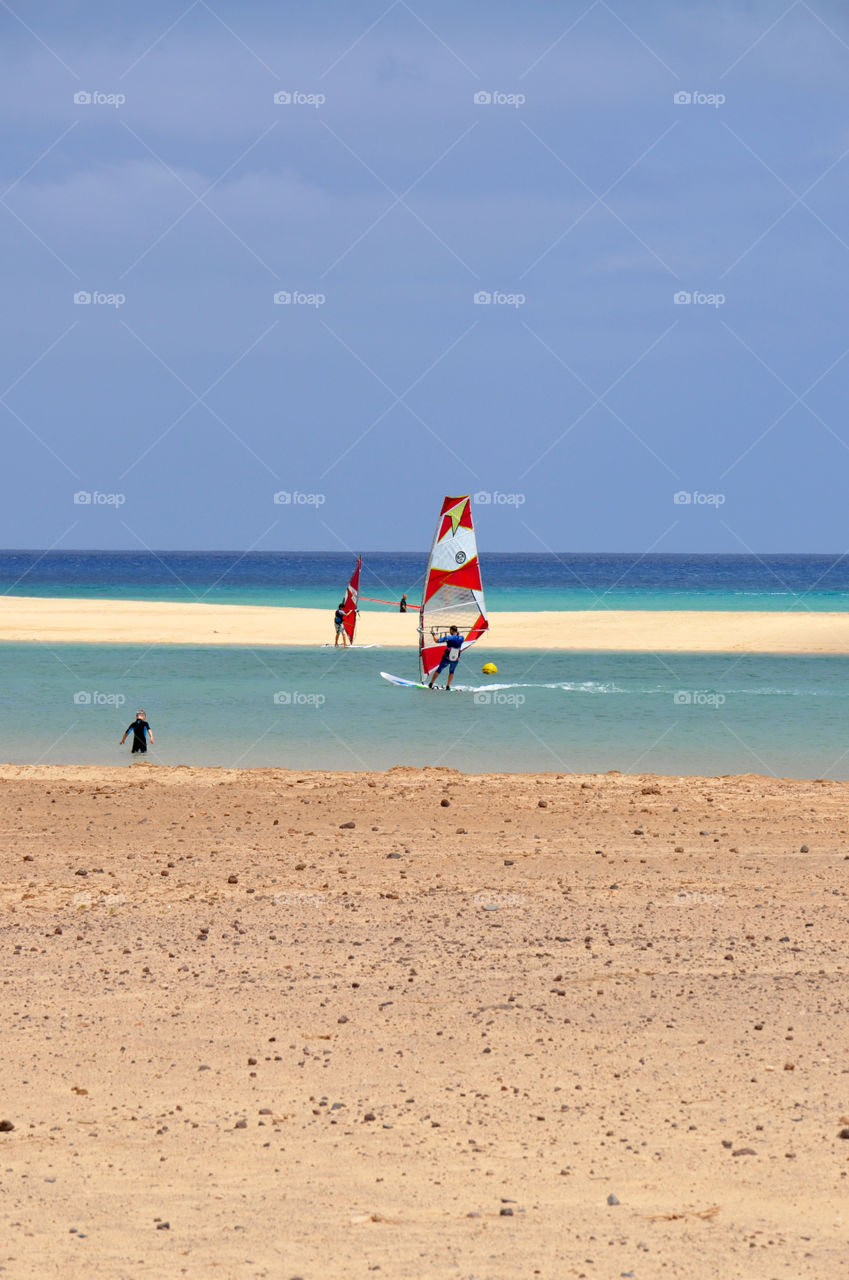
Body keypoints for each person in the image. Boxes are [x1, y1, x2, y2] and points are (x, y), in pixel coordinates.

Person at [427, 625, 464, 690]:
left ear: (451, 630)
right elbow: (457, 637)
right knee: (452, 671)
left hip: (447, 658)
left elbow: (437, 640)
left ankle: (431, 684)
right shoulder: (462, 638)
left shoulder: (448, 637)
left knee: (439, 669)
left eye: (450, 630)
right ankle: (448, 686)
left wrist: (433, 634)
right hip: (456, 659)